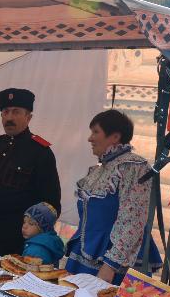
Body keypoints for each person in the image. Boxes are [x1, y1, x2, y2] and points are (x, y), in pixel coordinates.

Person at [0, 88, 61, 256]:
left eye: (16, 112)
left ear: (28, 117)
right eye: (5, 112)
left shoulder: (40, 152)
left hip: (15, 240)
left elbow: (50, 204)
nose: (9, 117)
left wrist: (35, 239)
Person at [65, 109, 162, 284]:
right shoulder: (100, 170)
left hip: (112, 265)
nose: (90, 138)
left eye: (96, 132)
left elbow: (133, 219)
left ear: (115, 137)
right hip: (85, 257)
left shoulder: (133, 167)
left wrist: (111, 265)